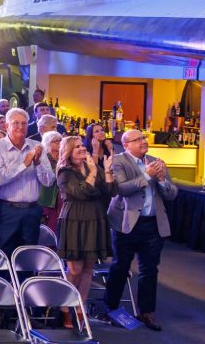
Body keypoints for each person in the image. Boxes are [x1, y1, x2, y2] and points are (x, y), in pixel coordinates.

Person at [104, 129, 178, 331]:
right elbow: (122, 189)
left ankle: (146, 311)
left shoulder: (155, 161)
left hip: (153, 224)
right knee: (120, 266)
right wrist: (147, 175)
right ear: (126, 145)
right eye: (138, 140)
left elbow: (172, 194)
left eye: (143, 138)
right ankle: (111, 308)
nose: (143, 142)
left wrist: (161, 179)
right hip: (126, 223)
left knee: (150, 269)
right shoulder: (118, 161)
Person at [55, 136, 116, 328]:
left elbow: (110, 192)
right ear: (68, 152)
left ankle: (80, 309)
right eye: (77, 147)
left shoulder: (93, 167)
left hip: (95, 218)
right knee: (75, 270)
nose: (82, 148)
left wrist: (106, 170)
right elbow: (81, 192)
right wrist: (92, 172)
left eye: (83, 145)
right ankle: (64, 308)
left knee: (89, 268)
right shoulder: (64, 172)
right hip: (75, 219)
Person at [0, 108, 55, 258]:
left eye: (24, 123)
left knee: (29, 257)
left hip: (32, 210)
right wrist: (24, 164)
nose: (20, 127)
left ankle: (26, 276)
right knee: (4, 256)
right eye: (15, 123)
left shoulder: (37, 146)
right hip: (5, 210)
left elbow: (49, 181)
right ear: (7, 126)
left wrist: (37, 164)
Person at [39, 131, 64, 232]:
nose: (59, 143)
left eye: (60, 140)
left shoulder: (64, 158)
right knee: (50, 227)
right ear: (48, 143)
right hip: (48, 199)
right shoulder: (44, 159)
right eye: (56, 141)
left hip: (63, 199)